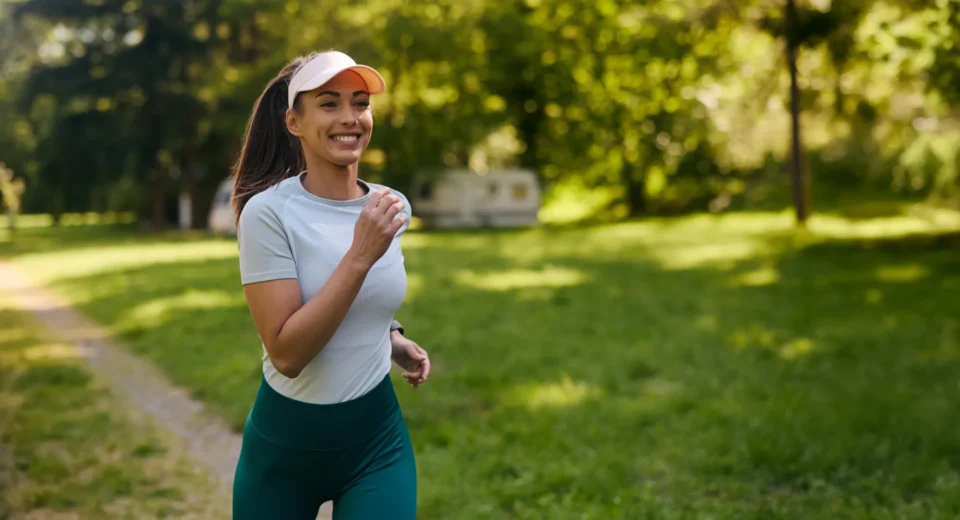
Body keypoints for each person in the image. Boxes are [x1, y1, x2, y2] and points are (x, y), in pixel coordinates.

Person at [229, 50, 430, 520]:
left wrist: (390, 338)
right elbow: (287, 354)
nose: (349, 118)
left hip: (376, 443)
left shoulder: (391, 207)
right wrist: (359, 255)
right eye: (328, 104)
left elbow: (365, 298)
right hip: (285, 451)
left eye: (360, 103)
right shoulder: (269, 214)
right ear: (293, 122)